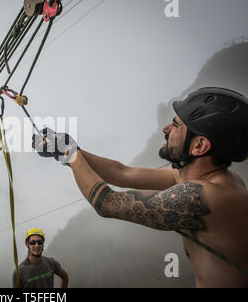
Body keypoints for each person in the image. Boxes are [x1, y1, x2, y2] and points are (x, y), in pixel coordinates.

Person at [32, 87, 248, 287]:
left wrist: (72, 155)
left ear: (199, 145)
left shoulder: (205, 196)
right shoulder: (204, 178)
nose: (165, 128)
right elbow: (122, 173)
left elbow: (107, 203)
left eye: (176, 125)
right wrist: (67, 149)